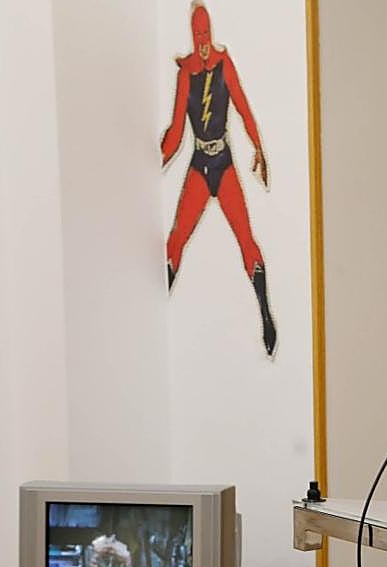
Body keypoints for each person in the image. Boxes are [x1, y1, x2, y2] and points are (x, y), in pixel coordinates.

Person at [161, 1, 276, 356]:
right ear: (193, 38)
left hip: (223, 163)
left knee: (246, 240)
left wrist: (258, 148)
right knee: (176, 239)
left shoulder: (224, 66)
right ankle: (153, 311)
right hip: (199, 164)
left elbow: (242, 107)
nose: (204, 42)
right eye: (198, 36)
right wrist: (151, 161)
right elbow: (177, 131)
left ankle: (266, 317)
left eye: (207, 35)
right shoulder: (186, 73)